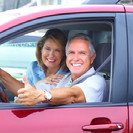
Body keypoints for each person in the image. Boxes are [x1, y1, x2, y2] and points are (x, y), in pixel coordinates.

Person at [15, 33, 106, 106]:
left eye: (82, 53)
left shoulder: (96, 81)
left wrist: (41, 96)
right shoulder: (64, 78)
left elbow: (73, 95)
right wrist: (29, 93)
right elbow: (21, 99)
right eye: (71, 53)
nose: (75, 58)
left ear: (92, 58)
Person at [0, 29, 68, 97]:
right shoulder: (33, 67)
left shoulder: (68, 75)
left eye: (57, 50)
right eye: (47, 49)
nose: (51, 55)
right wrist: (38, 84)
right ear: (41, 49)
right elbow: (22, 96)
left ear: (63, 53)